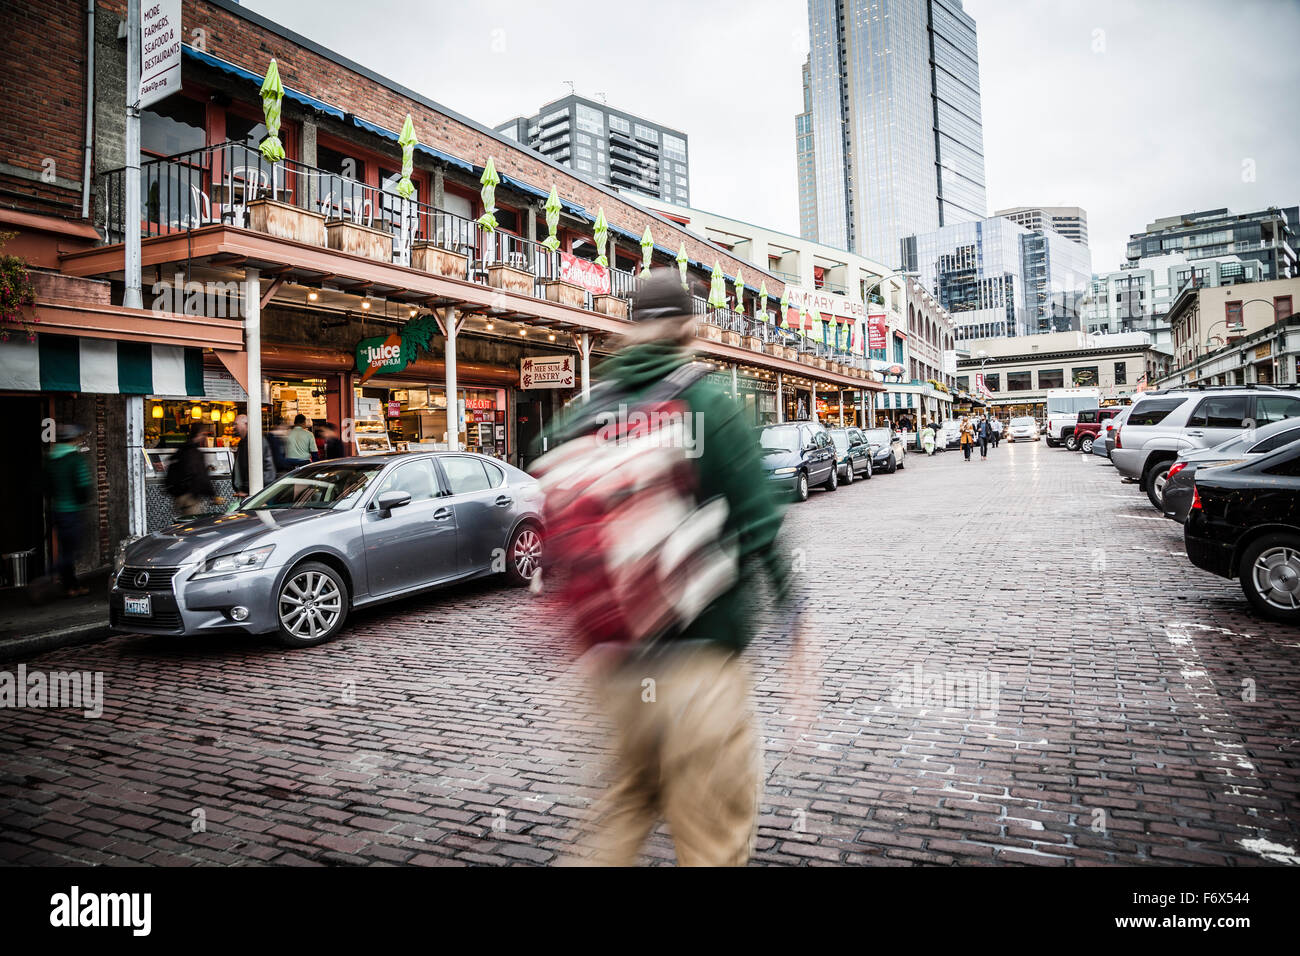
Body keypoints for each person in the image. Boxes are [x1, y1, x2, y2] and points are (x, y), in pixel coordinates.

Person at [549, 270, 792, 867]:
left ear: (632, 326)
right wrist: (796, 618)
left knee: (619, 818)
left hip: (613, 672)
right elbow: (760, 525)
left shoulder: (587, 408)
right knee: (714, 841)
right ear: (693, 327)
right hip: (700, 668)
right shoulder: (707, 399)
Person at [46, 424, 93, 597]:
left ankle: (71, 586)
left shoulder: (51, 459)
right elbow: (83, 485)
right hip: (73, 510)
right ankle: (47, 574)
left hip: (57, 510)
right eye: (78, 438)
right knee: (73, 551)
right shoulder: (74, 459)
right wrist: (82, 500)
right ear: (73, 439)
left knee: (67, 549)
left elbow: (47, 486)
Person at [166, 423, 220, 518]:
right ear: (198, 434)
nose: (205, 437)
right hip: (190, 498)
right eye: (204, 434)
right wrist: (212, 495)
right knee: (194, 525)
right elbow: (200, 475)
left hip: (179, 497)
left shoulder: (182, 449)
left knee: (183, 524)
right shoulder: (195, 453)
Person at [231, 413, 276, 498]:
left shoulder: (256, 441)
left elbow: (266, 471)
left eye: (236, 424)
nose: (234, 427)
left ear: (246, 424)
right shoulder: (242, 443)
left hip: (259, 494)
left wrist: (248, 490)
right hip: (248, 493)